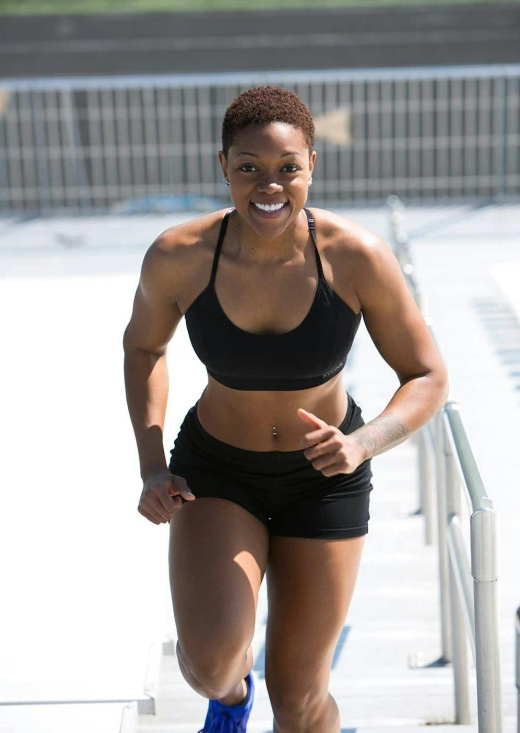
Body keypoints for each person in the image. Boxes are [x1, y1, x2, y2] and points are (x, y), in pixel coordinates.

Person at [123, 85, 449, 733]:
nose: (268, 186)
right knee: (210, 663)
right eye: (248, 167)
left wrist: (365, 442)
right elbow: (143, 350)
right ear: (223, 166)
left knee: (299, 695)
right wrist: (152, 465)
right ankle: (231, 698)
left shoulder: (356, 257)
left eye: (287, 168)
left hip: (323, 481)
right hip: (218, 472)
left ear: (312, 165)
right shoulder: (178, 256)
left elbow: (427, 374)